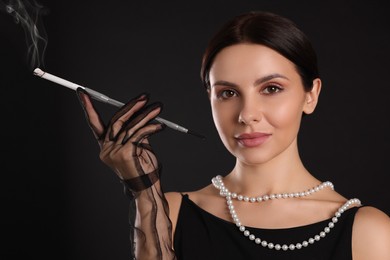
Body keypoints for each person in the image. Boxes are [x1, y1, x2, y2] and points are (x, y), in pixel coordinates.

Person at [76, 10, 390, 260]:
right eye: (227, 93)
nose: (246, 114)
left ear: (311, 95)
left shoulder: (369, 232)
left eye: (271, 89)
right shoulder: (170, 213)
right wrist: (142, 191)